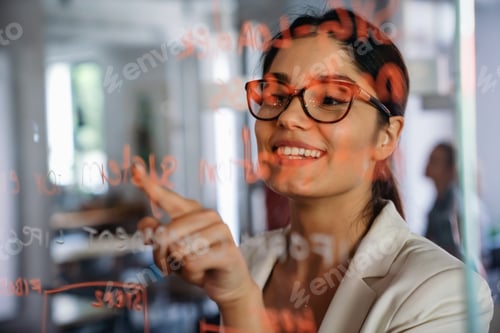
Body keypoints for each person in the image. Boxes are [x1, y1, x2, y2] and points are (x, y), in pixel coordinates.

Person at [131, 8, 494, 333]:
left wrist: (241, 304)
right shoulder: (249, 259)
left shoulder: (442, 291)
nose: (287, 116)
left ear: (386, 136)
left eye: (331, 99)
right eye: (275, 96)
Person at [424, 142, 462, 259]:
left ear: (450, 170)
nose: (427, 164)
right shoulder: (438, 202)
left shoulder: (454, 206)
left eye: (434, 160)